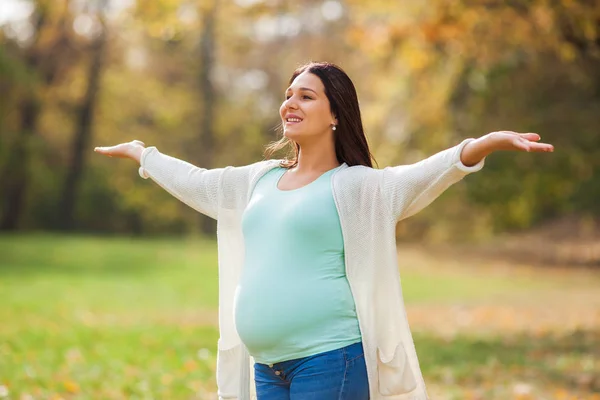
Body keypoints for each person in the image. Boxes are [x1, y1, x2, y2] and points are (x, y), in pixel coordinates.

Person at [94, 62, 554, 400]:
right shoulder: (258, 179)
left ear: (336, 114)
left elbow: (421, 174)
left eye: (306, 96)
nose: (290, 103)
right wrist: (143, 155)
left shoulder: (356, 186)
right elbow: (197, 180)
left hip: (330, 360)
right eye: (289, 94)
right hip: (267, 370)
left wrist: (483, 145)